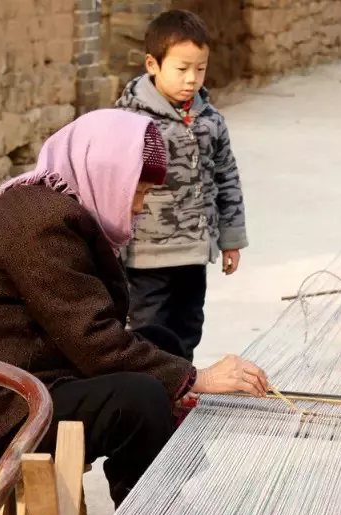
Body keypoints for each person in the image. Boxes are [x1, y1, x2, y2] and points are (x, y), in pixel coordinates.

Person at [0, 109, 268, 508]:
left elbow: (89, 330)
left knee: (162, 342)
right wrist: (196, 379)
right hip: (2, 411)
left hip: (34, 381)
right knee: (140, 398)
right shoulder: (40, 222)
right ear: (106, 175)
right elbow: (93, 339)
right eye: (137, 192)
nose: (140, 208)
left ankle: (164, 491)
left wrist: (178, 379)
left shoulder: (54, 208)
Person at [116, 9, 249, 362]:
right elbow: (112, 185)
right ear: (152, 64)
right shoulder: (130, 121)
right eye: (181, 68)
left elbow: (227, 178)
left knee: (189, 322)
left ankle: (181, 384)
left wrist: (231, 240)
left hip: (193, 249)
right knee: (149, 326)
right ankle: (150, 391)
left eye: (200, 68)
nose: (191, 79)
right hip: (146, 254)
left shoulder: (211, 120)